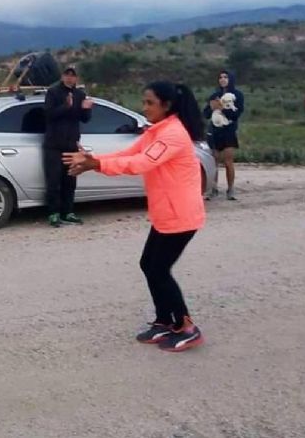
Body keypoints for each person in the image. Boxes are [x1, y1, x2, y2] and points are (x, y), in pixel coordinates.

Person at [63, 81, 206, 352]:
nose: (145, 108)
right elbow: (129, 153)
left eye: (150, 103)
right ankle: (165, 321)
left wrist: (96, 164)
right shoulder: (157, 131)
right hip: (167, 213)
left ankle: (187, 327)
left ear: (167, 105)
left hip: (181, 215)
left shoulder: (173, 134)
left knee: (158, 269)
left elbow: (142, 163)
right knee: (149, 264)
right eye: (144, 102)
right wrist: (93, 161)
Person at [43, 65, 93, 228]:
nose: (70, 78)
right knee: (54, 181)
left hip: (71, 144)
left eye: (73, 75)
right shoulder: (53, 92)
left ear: (76, 78)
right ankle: (54, 214)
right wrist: (66, 106)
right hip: (53, 144)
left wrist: (86, 109)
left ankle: (68, 212)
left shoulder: (80, 94)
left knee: (70, 180)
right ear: (62, 76)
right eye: (67, 74)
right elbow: (49, 115)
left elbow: (84, 119)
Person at [203, 70, 244, 200]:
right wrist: (212, 107)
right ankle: (213, 188)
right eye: (220, 77)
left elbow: (236, 114)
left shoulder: (237, 95)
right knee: (213, 161)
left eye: (225, 77)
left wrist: (222, 108)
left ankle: (230, 189)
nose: (222, 79)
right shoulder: (215, 95)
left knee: (228, 161)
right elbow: (206, 113)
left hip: (228, 131)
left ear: (230, 79)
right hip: (214, 131)